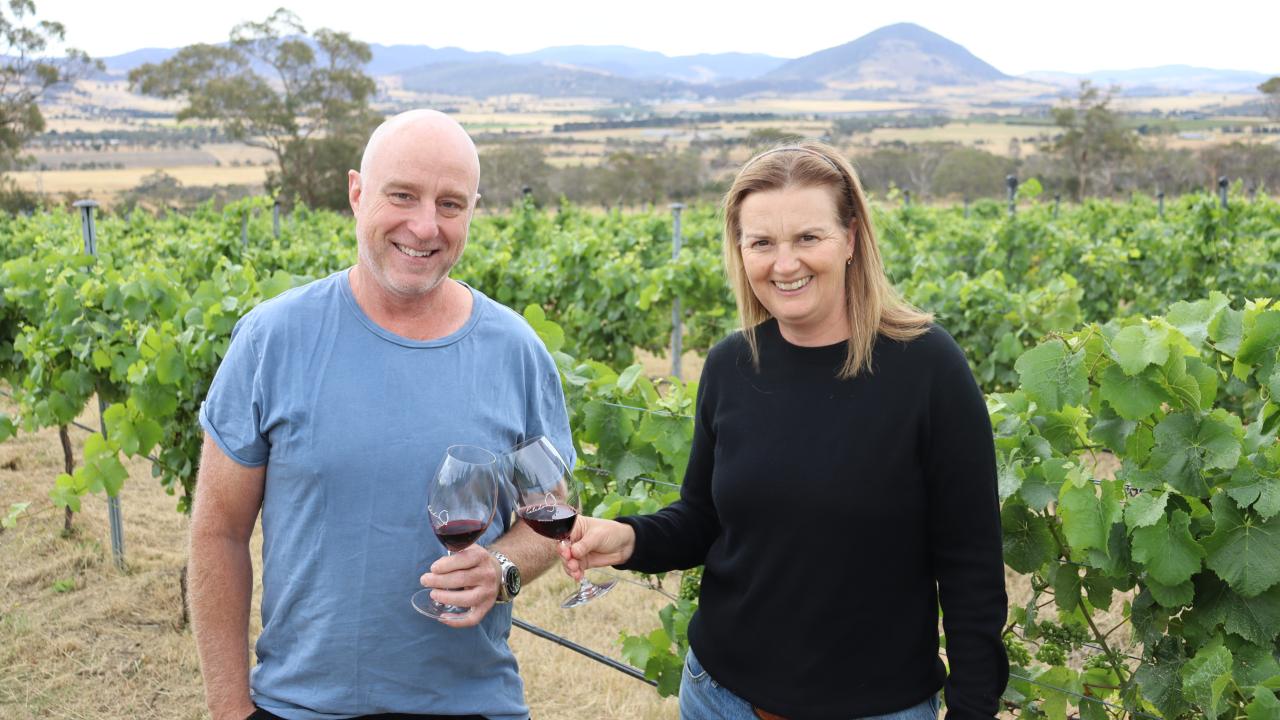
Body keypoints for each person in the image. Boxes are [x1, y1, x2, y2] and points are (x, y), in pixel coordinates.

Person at [563, 141, 1008, 720]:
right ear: (740, 251)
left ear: (851, 238)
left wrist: (972, 710)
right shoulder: (730, 364)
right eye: (762, 243)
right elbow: (703, 519)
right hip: (718, 698)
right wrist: (626, 539)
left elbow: (972, 564)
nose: (785, 264)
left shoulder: (927, 367)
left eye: (808, 237)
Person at [190, 109, 573, 720]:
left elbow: (547, 518)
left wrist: (502, 568)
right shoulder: (272, 339)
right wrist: (231, 712)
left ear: (472, 211)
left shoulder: (516, 352)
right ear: (357, 193)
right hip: (300, 706)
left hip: (473, 706)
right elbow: (219, 533)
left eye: (450, 204)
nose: (424, 226)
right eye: (402, 195)